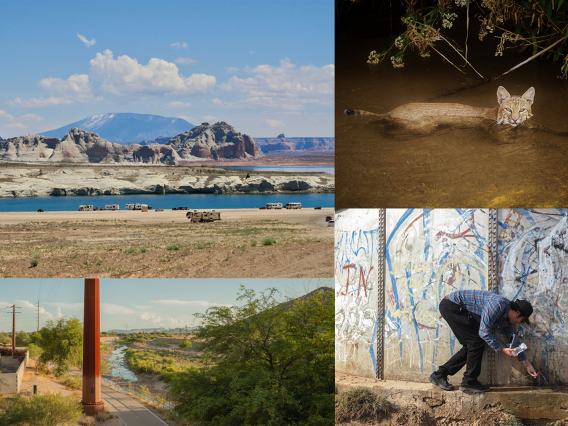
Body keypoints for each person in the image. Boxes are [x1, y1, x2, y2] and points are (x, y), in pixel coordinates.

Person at [428, 289, 537, 393]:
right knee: (476, 342)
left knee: (471, 345)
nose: (520, 323)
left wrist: (527, 364)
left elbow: (514, 341)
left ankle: (440, 375)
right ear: (517, 313)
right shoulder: (498, 305)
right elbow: (483, 332)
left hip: (461, 311)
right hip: (452, 305)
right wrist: (502, 349)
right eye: (522, 320)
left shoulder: (507, 321)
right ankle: (469, 382)